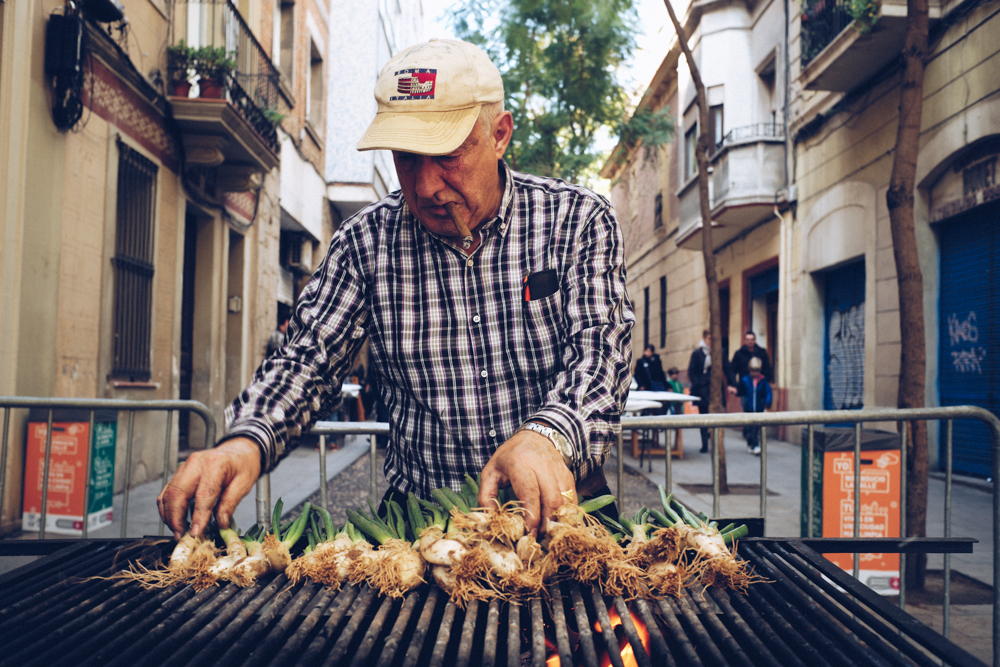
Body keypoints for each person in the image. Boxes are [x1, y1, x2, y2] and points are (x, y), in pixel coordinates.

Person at [157, 38, 634, 540]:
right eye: (407, 158)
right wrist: (245, 441)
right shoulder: (366, 242)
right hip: (424, 531)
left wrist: (547, 437)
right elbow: (306, 359)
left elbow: (601, 353)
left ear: (500, 134)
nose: (426, 185)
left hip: (562, 515)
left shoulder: (577, 220)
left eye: (447, 154)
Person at [736, 357, 772, 455]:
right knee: (749, 429)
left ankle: (755, 446)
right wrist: (736, 392)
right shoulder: (745, 380)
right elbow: (741, 391)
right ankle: (751, 445)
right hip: (749, 408)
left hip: (759, 408)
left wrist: (767, 402)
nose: (754, 373)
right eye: (752, 370)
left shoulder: (763, 382)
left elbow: (768, 392)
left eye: (756, 371)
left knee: (755, 429)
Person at [687, 330, 713, 453]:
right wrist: (697, 383)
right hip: (701, 389)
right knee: (703, 416)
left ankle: (714, 443)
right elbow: (691, 371)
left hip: (713, 389)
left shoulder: (717, 352)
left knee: (713, 417)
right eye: (709, 338)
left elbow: (727, 367)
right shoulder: (697, 353)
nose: (710, 341)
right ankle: (705, 444)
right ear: (704, 338)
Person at [727, 331, 773, 395]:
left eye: (751, 339)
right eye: (748, 340)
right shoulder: (739, 354)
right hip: (744, 388)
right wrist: (734, 385)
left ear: (755, 340)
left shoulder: (762, 353)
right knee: (746, 404)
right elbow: (732, 370)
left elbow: (767, 369)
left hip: (759, 387)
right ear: (745, 341)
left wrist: (765, 382)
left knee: (759, 404)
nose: (750, 341)